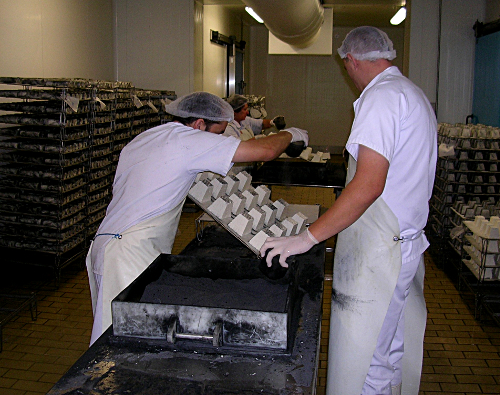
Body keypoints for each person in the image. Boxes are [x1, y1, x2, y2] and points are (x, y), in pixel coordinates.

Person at [260, 26, 437, 395]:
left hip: (380, 255)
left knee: (366, 360)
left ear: (351, 61)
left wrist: (305, 239)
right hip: (401, 244)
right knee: (387, 351)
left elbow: (369, 184)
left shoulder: (382, 98)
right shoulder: (412, 94)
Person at [86, 92, 308, 346]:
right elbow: (267, 150)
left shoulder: (149, 137)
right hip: (127, 255)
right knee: (123, 343)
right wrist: (292, 134)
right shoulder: (187, 140)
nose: (220, 140)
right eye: (218, 133)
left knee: (113, 333)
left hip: (105, 244)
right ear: (200, 125)